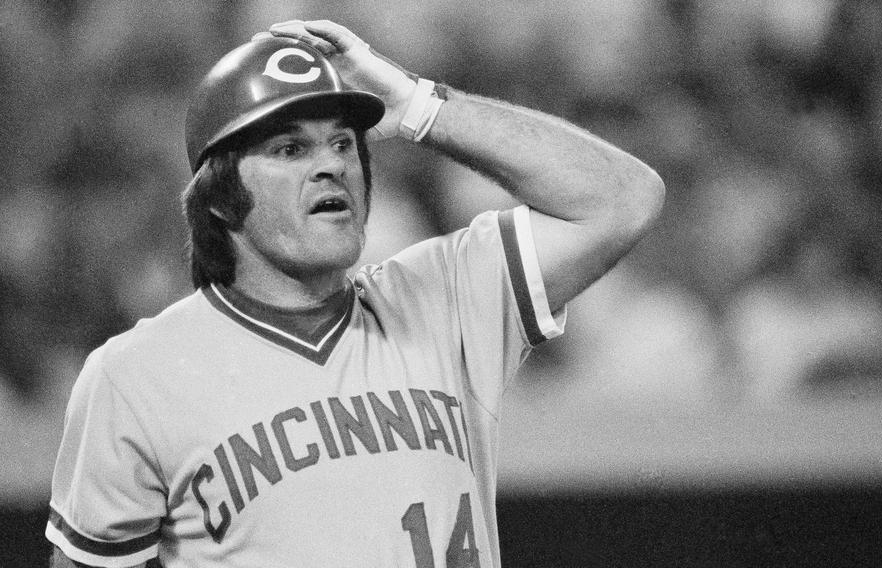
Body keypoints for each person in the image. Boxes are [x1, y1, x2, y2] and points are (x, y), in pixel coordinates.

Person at [45, 19, 664, 568]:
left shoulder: (443, 296)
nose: (331, 165)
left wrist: (423, 106)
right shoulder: (134, 377)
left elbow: (623, 200)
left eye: (343, 143)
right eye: (290, 148)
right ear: (219, 195)